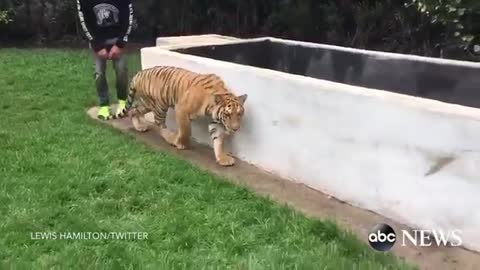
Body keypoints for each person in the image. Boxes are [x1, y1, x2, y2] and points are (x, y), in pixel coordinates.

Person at [76, 0, 134, 120]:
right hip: (97, 40)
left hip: (117, 38)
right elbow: (84, 22)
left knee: (121, 70)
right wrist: (97, 46)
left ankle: (122, 102)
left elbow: (128, 19)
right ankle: (104, 105)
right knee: (99, 73)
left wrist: (120, 44)